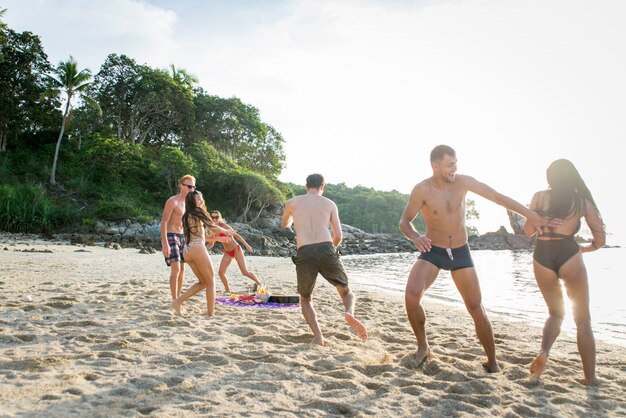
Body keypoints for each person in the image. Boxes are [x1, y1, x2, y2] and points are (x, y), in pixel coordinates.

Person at [399, 145, 557, 372]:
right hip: (433, 249)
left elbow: (496, 196)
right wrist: (415, 236)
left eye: (456, 163)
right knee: (412, 294)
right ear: (435, 166)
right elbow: (404, 221)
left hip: (460, 250)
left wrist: (530, 214)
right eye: (449, 164)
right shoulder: (422, 189)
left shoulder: (463, 182)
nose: (455, 168)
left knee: (475, 306)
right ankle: (423, 346)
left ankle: (492, 362)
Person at [524, 159, 605, 386]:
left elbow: (528, 230)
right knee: (583, 320)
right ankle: (590, 378)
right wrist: (588, 248)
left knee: (555, 313)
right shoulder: (580, 201)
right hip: (568, 254)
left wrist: (542, 219)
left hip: (542, 255)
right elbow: (600, 237)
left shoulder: (539, 197)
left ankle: (543, 352)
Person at [281, 173, 368, 346]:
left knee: (305, 299)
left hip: (304, 251)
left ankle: (319, 337)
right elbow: (338, 235)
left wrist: (292, 217)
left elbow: (284, 225)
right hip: (326, 247)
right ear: (323, 186)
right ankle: (349, 313)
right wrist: (332, 250)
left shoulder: (292, 202)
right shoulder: (329, 204)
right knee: (345, 291)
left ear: (306, 186)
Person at [171, 190, 234, 317]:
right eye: (198, 199)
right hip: (197, 248)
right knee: (211, 282)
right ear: (191, 201)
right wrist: (226, 231)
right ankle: (211, 314)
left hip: (187, 251)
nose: (201, 200)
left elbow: (201, 235)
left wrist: (219, 239)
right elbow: (212, 226)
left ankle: (177, 302)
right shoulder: (198, 211)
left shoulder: (186, 215)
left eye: (201, 198)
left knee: (203, 282)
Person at [205, 210, 262, 293]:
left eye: (216, 217)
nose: (214, 219)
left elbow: (237, 235)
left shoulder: (224, 226)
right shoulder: (213, 230)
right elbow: (211, 244)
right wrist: (204, 249)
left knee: (244, 272)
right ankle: (227, 290)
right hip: (227, 252)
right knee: (221, 273)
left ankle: (259, 283)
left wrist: (247, 245)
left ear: (219, 217)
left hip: (236, 249)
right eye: (213, 217)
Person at [160, 174, 196, 301]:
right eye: (189, 186)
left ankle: (178, 298)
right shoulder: (172, 201)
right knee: (175, 269)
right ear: (181, 185)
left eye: (193, 187)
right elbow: (164, 222)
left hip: (183, 237)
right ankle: (175, 300)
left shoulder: (190, 203)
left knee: (182, 270)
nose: (191, 189)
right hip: (171, 235)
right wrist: (165, 243)